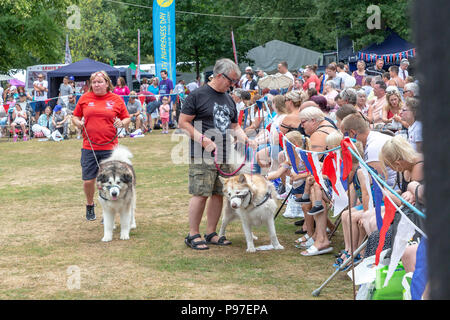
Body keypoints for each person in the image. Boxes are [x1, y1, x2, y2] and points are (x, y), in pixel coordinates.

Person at [178, 58, 256, 250]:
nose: (233, 85)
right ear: (220, 75)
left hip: (224, 153)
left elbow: (234, 125)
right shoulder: (197, 95)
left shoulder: (228, 98)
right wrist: (203, 139)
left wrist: (247, 139)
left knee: (219, 193)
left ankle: (211, 233)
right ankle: (193, 234)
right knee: (200, 193)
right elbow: (183, 122)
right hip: (202, 153)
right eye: (231, 81)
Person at [72, 70, 130, 221]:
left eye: (100, 82)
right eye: (94, 82)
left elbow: (126, 118)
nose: (96, 85)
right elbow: (75, 116)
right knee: (88, 180)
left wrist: (121, 123)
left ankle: (108, 208)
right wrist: (78, 122)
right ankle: (90, 204)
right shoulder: (85, 98)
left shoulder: (116, 99)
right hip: (89, 146)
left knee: (110, 180)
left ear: (107, 83)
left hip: (110, 147)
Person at [297, 107, 338, 256]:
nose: (302, 126)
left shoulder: (318, 134)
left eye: (303, 122)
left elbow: (313, 166)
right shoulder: (329, 127)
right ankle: (318, 235)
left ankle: (319, 237)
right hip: (333, 180)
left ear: (313, 120)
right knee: (313, 184)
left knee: (314, 185)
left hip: (335, 184)